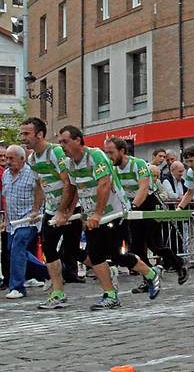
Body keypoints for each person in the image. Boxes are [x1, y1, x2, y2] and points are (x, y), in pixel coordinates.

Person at [59, 126, 162, 310]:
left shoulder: (96, 156)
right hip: (93, 215)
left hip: (114, 212)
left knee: (116, 255)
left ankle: (150, 273)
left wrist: (98, 214)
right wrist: (69, 212)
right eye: (60, 142)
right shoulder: (69, 164)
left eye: (65, 141)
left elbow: (104, 185)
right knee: (95, 254)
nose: (62, 146)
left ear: (78, 140)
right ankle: (110, 294)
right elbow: (75, 189)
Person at [105, 137, 188, 293]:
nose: (108, 156)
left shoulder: (138, 164)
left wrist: (133, 207)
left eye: (111, 152)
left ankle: (179, 264)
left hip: (148, 203)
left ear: (122, 151)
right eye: (106, 152)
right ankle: (149, 278)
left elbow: (143, 189)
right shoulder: (112, 167)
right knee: (136, 247)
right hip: (130, 207)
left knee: (154, 244)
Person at [20, 118, 87, 308]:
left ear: (39, 135)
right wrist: (36, 210)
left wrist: (64, 212)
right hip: (52, 210)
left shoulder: (55, 152)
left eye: (26, 134)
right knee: (49, 248)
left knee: (73, 251)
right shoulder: (33, 159)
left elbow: (69, 183)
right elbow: (40, 186)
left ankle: (107, 270)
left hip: (69, 209)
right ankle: (58, 293)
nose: (22, 137)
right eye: (22, 133)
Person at [2, 145, 48, 299]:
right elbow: (6, 198)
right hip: (12, 222)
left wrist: (36, 210)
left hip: (28, 220)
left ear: (22, 159)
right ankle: (48, 272)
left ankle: (17, 287)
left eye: (11, 158)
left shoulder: (32, 173)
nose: (8, 161)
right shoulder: (6, 174)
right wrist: (6, 219)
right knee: (14, 250)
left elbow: (40, 191)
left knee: (17, 249)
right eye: (7, 158)